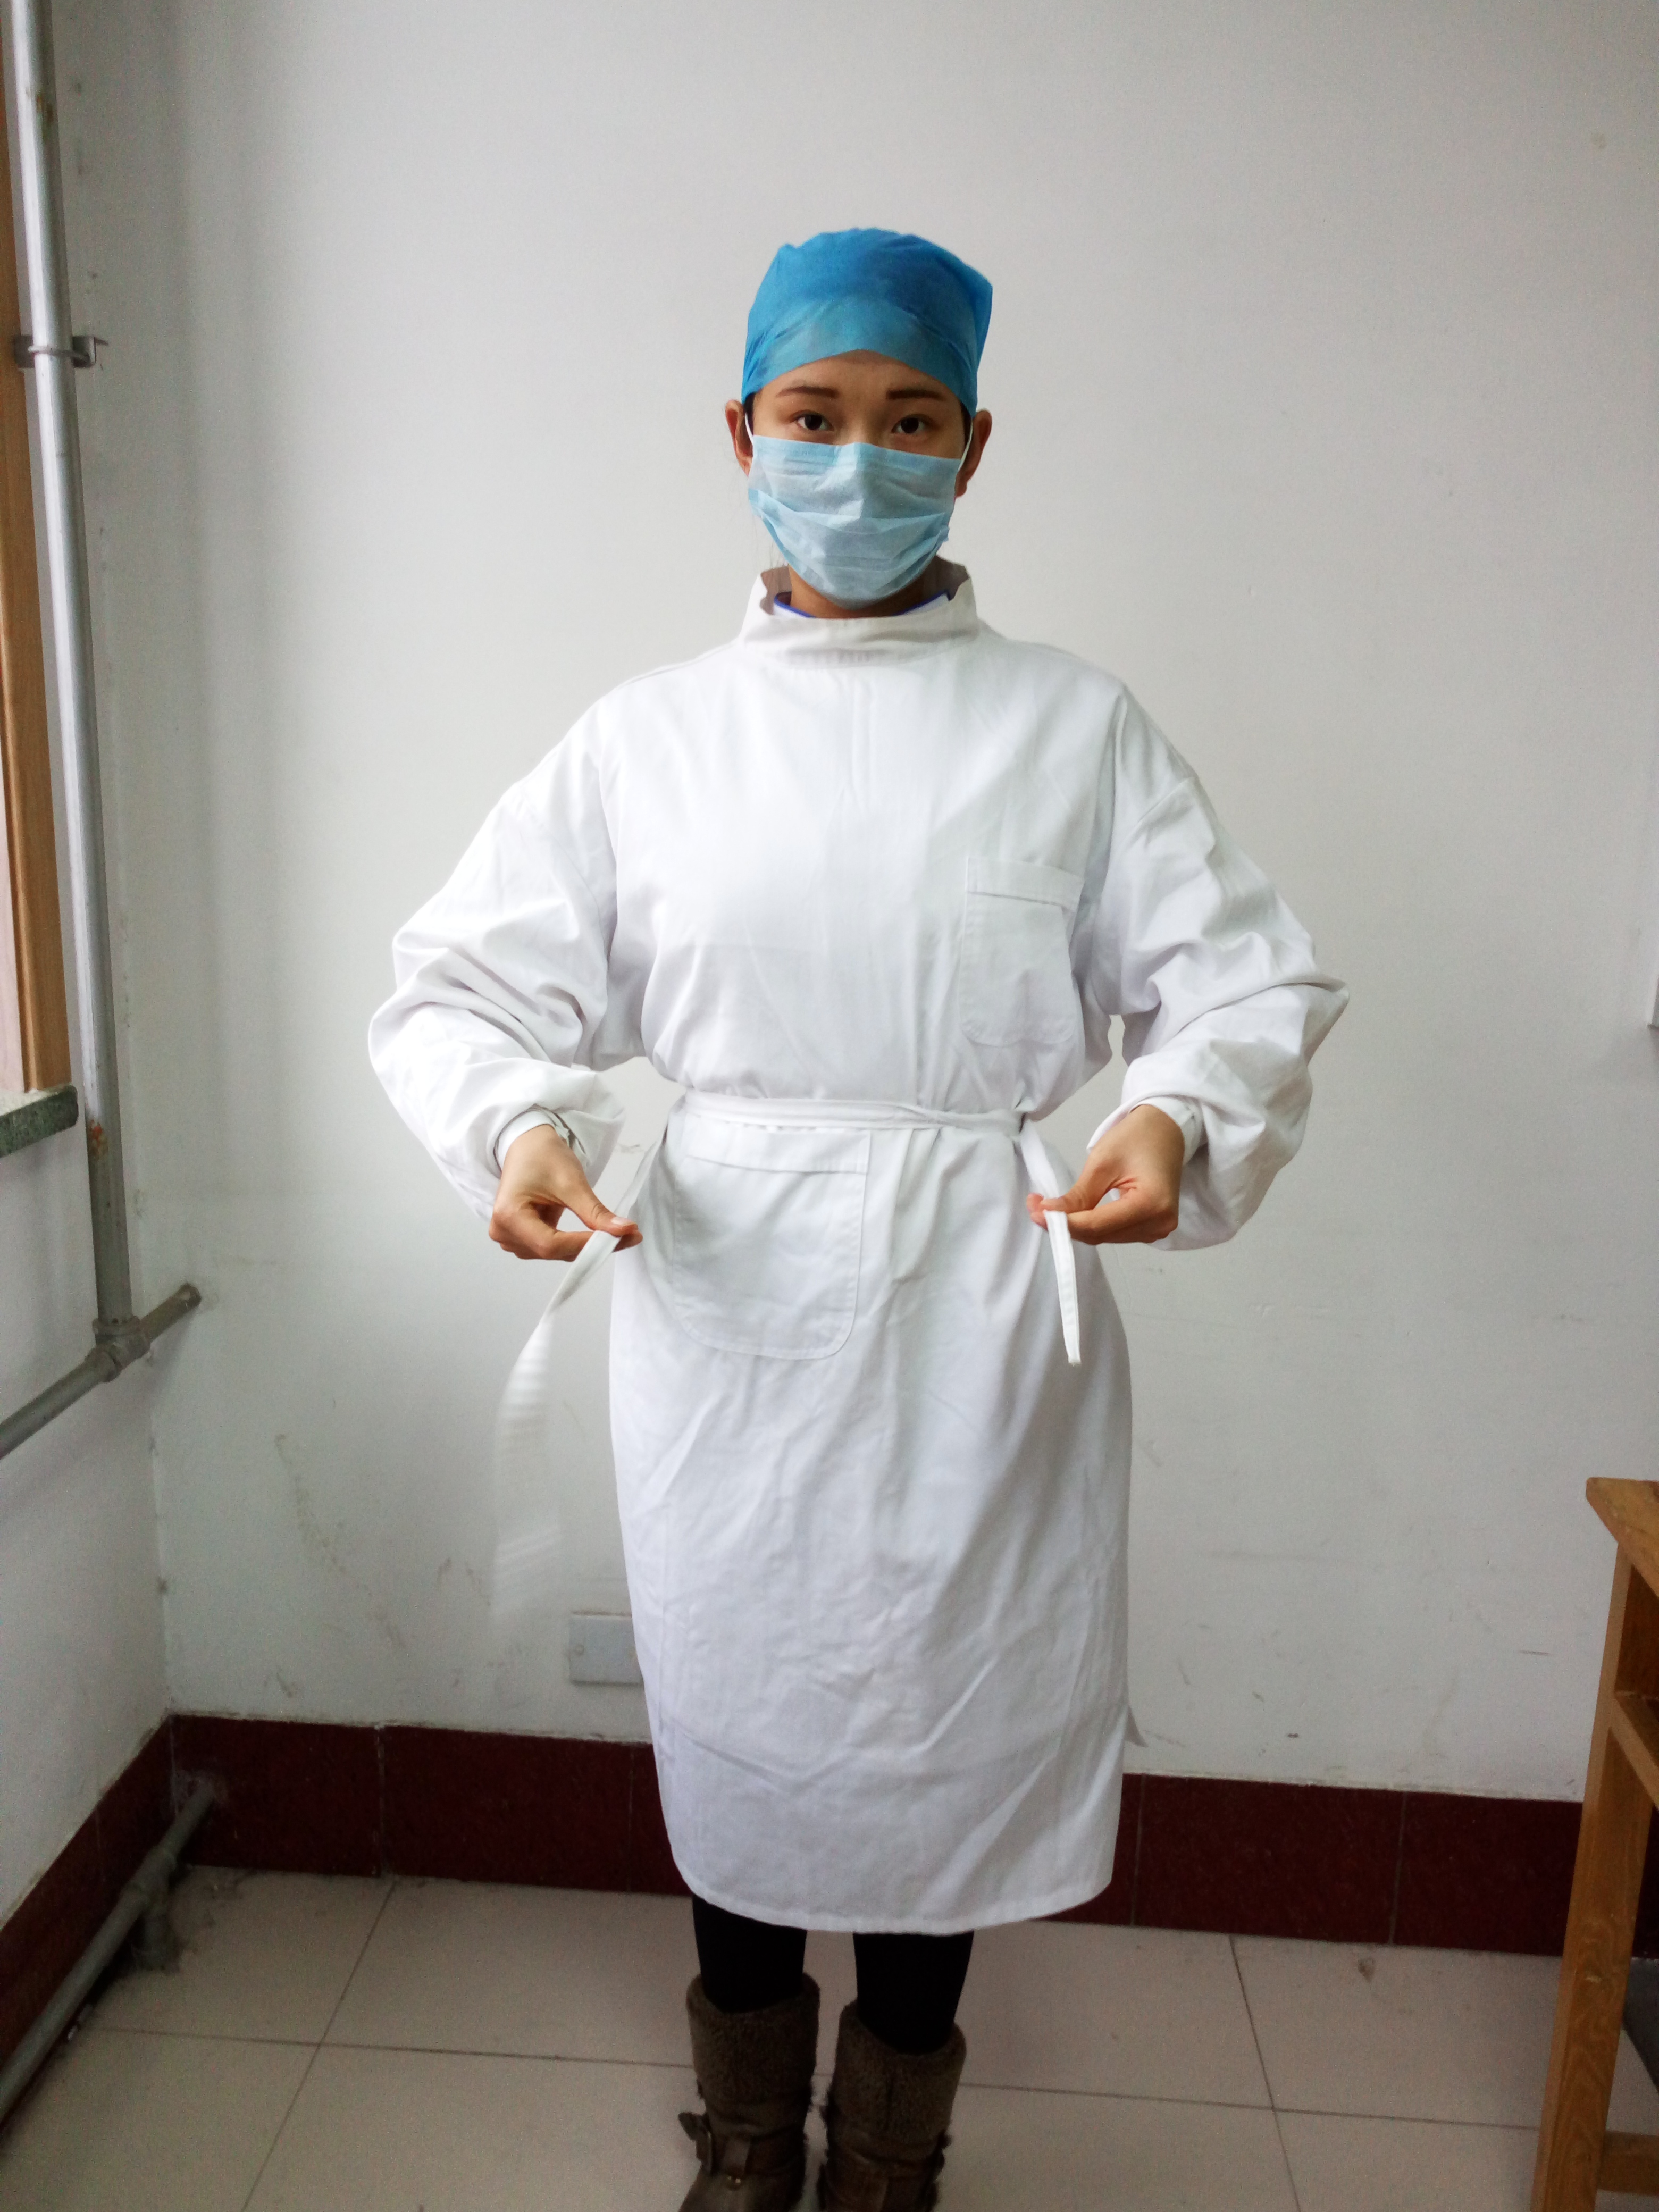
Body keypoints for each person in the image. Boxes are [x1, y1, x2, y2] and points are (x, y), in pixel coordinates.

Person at [369, 227, 1347, 2212]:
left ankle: (893, 2148)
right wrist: (520, 1130)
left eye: (910, 421)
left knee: (945, 1727)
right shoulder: (648, 741)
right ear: (742, 433)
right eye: (814, 416)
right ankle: (746, 2137)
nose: (859, 458)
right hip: (729, 1295)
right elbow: (456, 986)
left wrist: (1172, 1111)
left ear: (973, 449)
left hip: (980, 1291)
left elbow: (1247, 979)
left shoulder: (1072, 728)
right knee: (749, 1717)